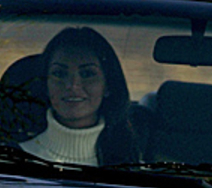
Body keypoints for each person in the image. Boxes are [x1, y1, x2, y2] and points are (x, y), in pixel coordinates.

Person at [18, 27, 139, 166]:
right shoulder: (6, 160)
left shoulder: (134, 167)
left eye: (87, 74)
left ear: (108, 86)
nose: (72, 85)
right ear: (45, 84)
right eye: (59, 74)